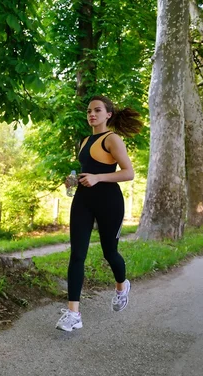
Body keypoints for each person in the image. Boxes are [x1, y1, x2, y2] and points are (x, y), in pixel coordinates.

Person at [56, 95, 143, 332]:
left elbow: (128, 173)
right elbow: (88, 171)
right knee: (77, 255)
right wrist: (74, 180)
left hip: (109, 201)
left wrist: (97, 178)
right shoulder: (85, 141)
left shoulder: (112, 139)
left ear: (108, 115)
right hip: (83, 201)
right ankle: (74, 314)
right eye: (89, 111)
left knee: (110, 252)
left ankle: (121, 286)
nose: (91, 114)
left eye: (97, 110)